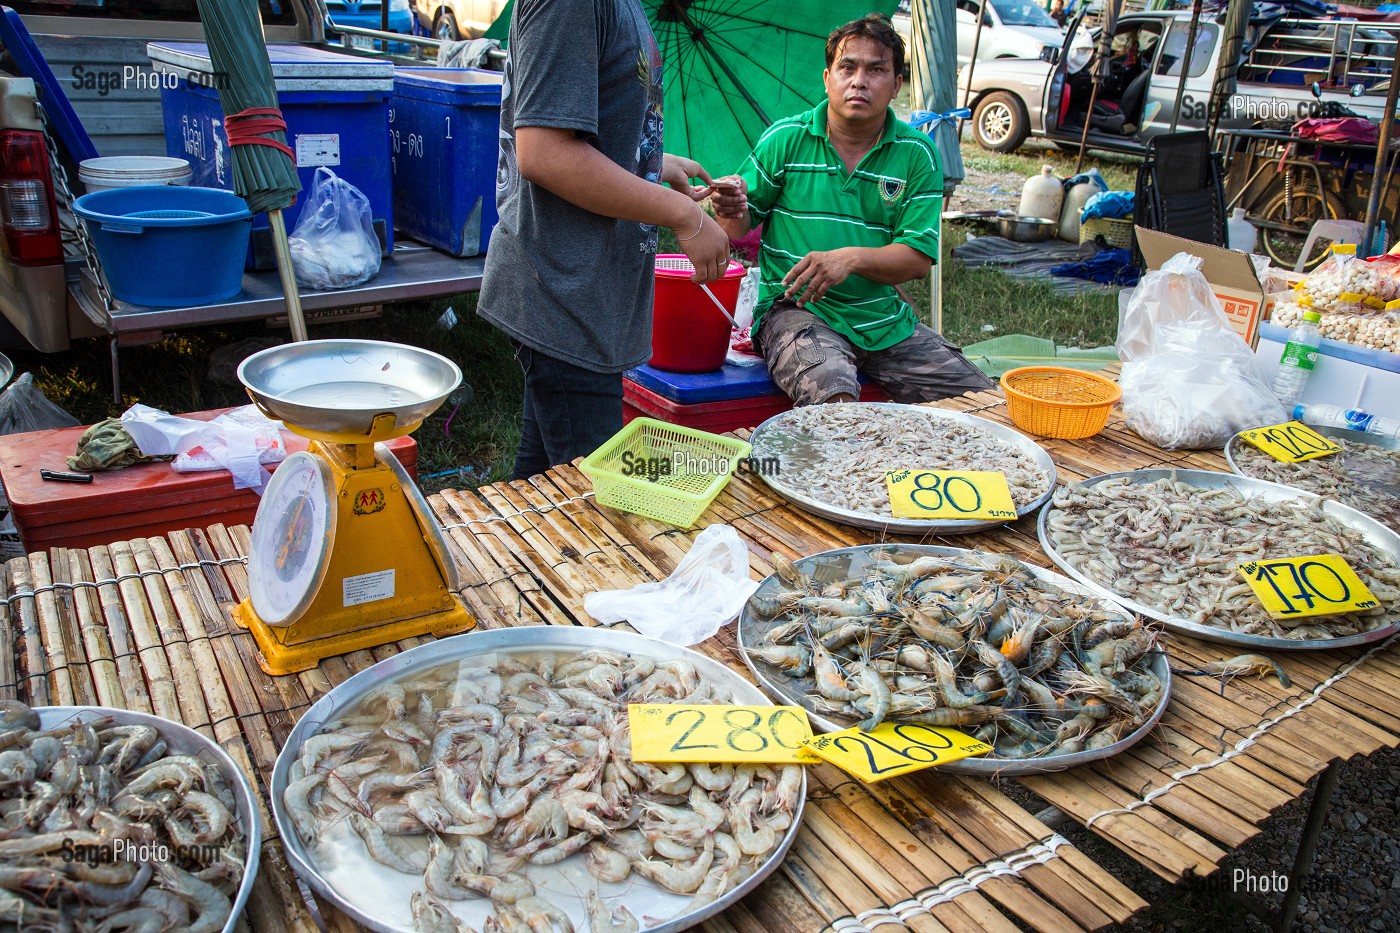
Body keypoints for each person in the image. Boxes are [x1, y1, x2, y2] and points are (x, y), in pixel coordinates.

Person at [478, 0, 731, 480]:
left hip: (585, 293)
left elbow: (583, 126)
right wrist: (684, 216)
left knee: (539, 485)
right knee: (595, 498)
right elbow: (545, 152)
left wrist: (653, 163)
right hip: (563, 293)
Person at [710, 14, 993, 407]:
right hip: (795, 312)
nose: (860, 81)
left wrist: (849, 259)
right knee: (835, 400)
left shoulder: (917, 154)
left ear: (896, 85)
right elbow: (735, 226)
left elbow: (916, 259)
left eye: (876, 70)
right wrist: (729, 206)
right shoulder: (784, 139)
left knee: (983, 401)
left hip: (882, 320)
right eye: (848, 68)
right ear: (828, 79)